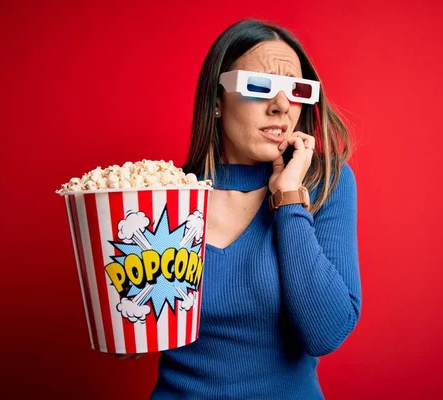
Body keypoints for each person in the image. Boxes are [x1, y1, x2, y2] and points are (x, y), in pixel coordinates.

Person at [150, 19, 362, 399]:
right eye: (259, 86)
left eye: (296, 90)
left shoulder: (326, 183)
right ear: (217, 101)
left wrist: (288, 198)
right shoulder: (166, 194)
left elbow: (325, 332)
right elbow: (139, 317)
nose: (282, 105)